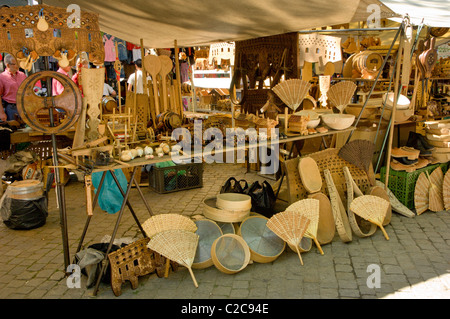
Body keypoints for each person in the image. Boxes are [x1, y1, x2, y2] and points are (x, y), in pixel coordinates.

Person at [0, 54, 27, 122]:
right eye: (15, 64)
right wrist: (2, 113)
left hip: (24, 106)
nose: (17, 66)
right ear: (8, 65)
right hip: (11, 108)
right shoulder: (2, 77)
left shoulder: (22, 75)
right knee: (15, 129)